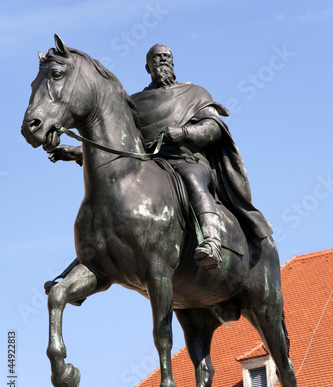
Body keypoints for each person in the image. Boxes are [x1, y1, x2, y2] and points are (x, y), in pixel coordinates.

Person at [49, 44, 272, 274]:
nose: (163, 61)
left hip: (187, 159)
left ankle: (212, 240)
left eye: (167, 57)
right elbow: (119, 143)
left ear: (173, 63)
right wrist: (77, 152)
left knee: (193, 181)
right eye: (157, 58)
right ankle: (93, 258)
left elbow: (214, 127)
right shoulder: (136, 103)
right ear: (148, 67)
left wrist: (184, 133)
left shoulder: (194, 93)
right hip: (150, 163)